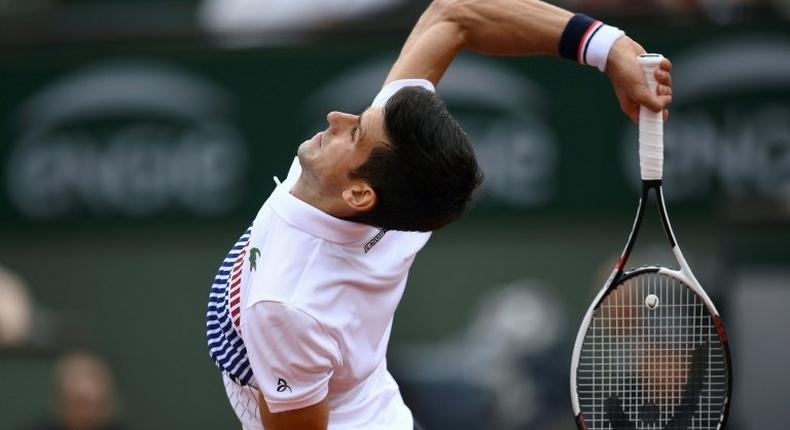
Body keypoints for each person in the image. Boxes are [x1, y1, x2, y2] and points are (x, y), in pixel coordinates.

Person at [205, 0, 674, 429]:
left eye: (355, 133)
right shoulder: (379, 189)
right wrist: (608, 47)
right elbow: (454, 14)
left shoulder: (287, 304)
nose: (336, 118)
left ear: (360, 194)